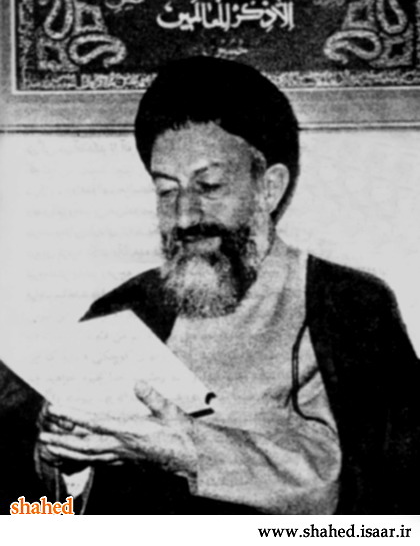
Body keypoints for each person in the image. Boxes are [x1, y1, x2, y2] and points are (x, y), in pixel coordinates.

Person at [33, 57, 419, 514]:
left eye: (209, 186)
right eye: (166, 190)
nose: (184, 217)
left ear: (269, 188)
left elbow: (383, 487)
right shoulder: (125, 308)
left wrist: (191, 450)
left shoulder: (350, 305)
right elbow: (45, 510)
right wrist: (66, 459)